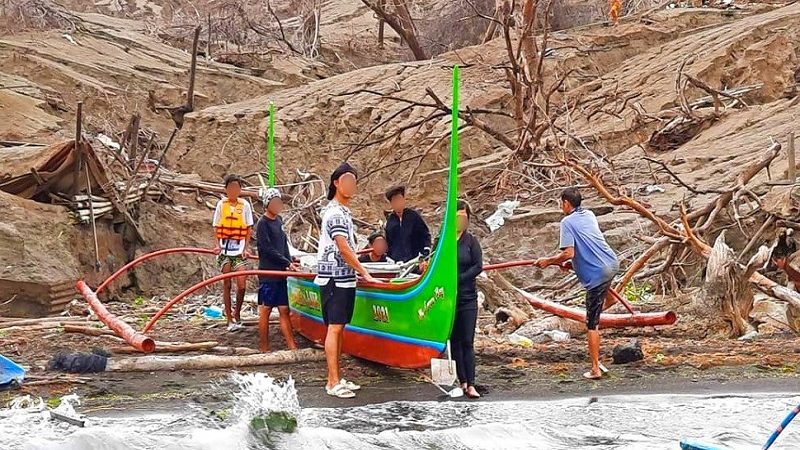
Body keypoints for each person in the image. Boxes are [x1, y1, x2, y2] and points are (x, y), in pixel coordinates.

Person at [533, 187, 619, 380]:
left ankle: (595, 368)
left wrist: (548, 261)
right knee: (603, 284)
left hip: (598, 272)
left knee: (591, 323)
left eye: (560, 203)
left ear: (566, 203)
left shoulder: (566, 222)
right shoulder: (588, 214)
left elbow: (568, 253)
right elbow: (585, 244)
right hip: (612, 263)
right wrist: (568, 263)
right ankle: (610, 299)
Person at [316, 162, 380, 398]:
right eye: (347, 181)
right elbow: (343, 247)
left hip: (343, 277)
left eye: (354, 181)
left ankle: (336, 376)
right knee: (334, 327)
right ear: (336, 183)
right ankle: (332, 382)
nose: (352, 186)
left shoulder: (343, 212)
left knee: (339, 326)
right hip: (334, 276)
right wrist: (364, 272)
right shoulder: (334, 212)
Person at [255, 187, 299, 353]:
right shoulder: (262, 224)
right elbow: (267, 249)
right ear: (267, 204)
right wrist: (286, 262)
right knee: (265, 310)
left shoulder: (279, 221)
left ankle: (291, 346)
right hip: (269, 272)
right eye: (274, 202)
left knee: (284, 309)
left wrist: (291, 261)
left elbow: (283, 245)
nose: (278, 205)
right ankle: (264, 348)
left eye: (279, 202)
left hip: (282, 273)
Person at [212, 174, 254, 332]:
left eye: (236, 187)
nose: (233, 191)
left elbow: (249, 227)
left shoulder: (245, 205)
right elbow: (216, 226)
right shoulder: (221, 205)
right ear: (226, 189)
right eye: (230, 188)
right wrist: (217, 245)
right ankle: (229, 318)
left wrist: (246, 248)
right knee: (227, 284)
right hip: (224, 250)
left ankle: (237, 314)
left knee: (242, 285)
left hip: (238, 249)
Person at [451, 200, 483, 399]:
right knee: (453, 341)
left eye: (464, 217)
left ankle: (471, 383)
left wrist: (459, 279)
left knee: (467, 341)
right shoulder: (443, 241)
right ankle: (461, 380)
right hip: (448, 299)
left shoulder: (471, 242)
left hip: (467, 296)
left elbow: (478, 266)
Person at [384, 185, 432, 263]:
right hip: (395, 262)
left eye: (400, 200)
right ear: (391, 203)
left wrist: (425, 252)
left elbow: (425, 235)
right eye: (395, 201)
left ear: (403, 200)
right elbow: (388, 243)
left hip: (414, 260)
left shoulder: (414, 216)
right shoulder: (390, 221)